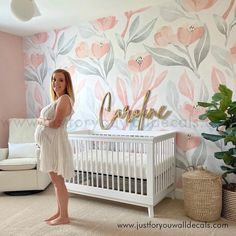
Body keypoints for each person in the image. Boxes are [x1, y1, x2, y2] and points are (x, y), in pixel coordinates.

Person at [34, 69, 75, 225]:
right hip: (50, 145)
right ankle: (59, 212)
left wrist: (41, 121)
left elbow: (56, 123)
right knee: (56, 182)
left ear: (66, 83)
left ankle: (64, 216)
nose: (55, 83)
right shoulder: (57, 100)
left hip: (56, 145)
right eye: (53, 79)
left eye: (60, 80)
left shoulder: (64, 99)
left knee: (58, 182)